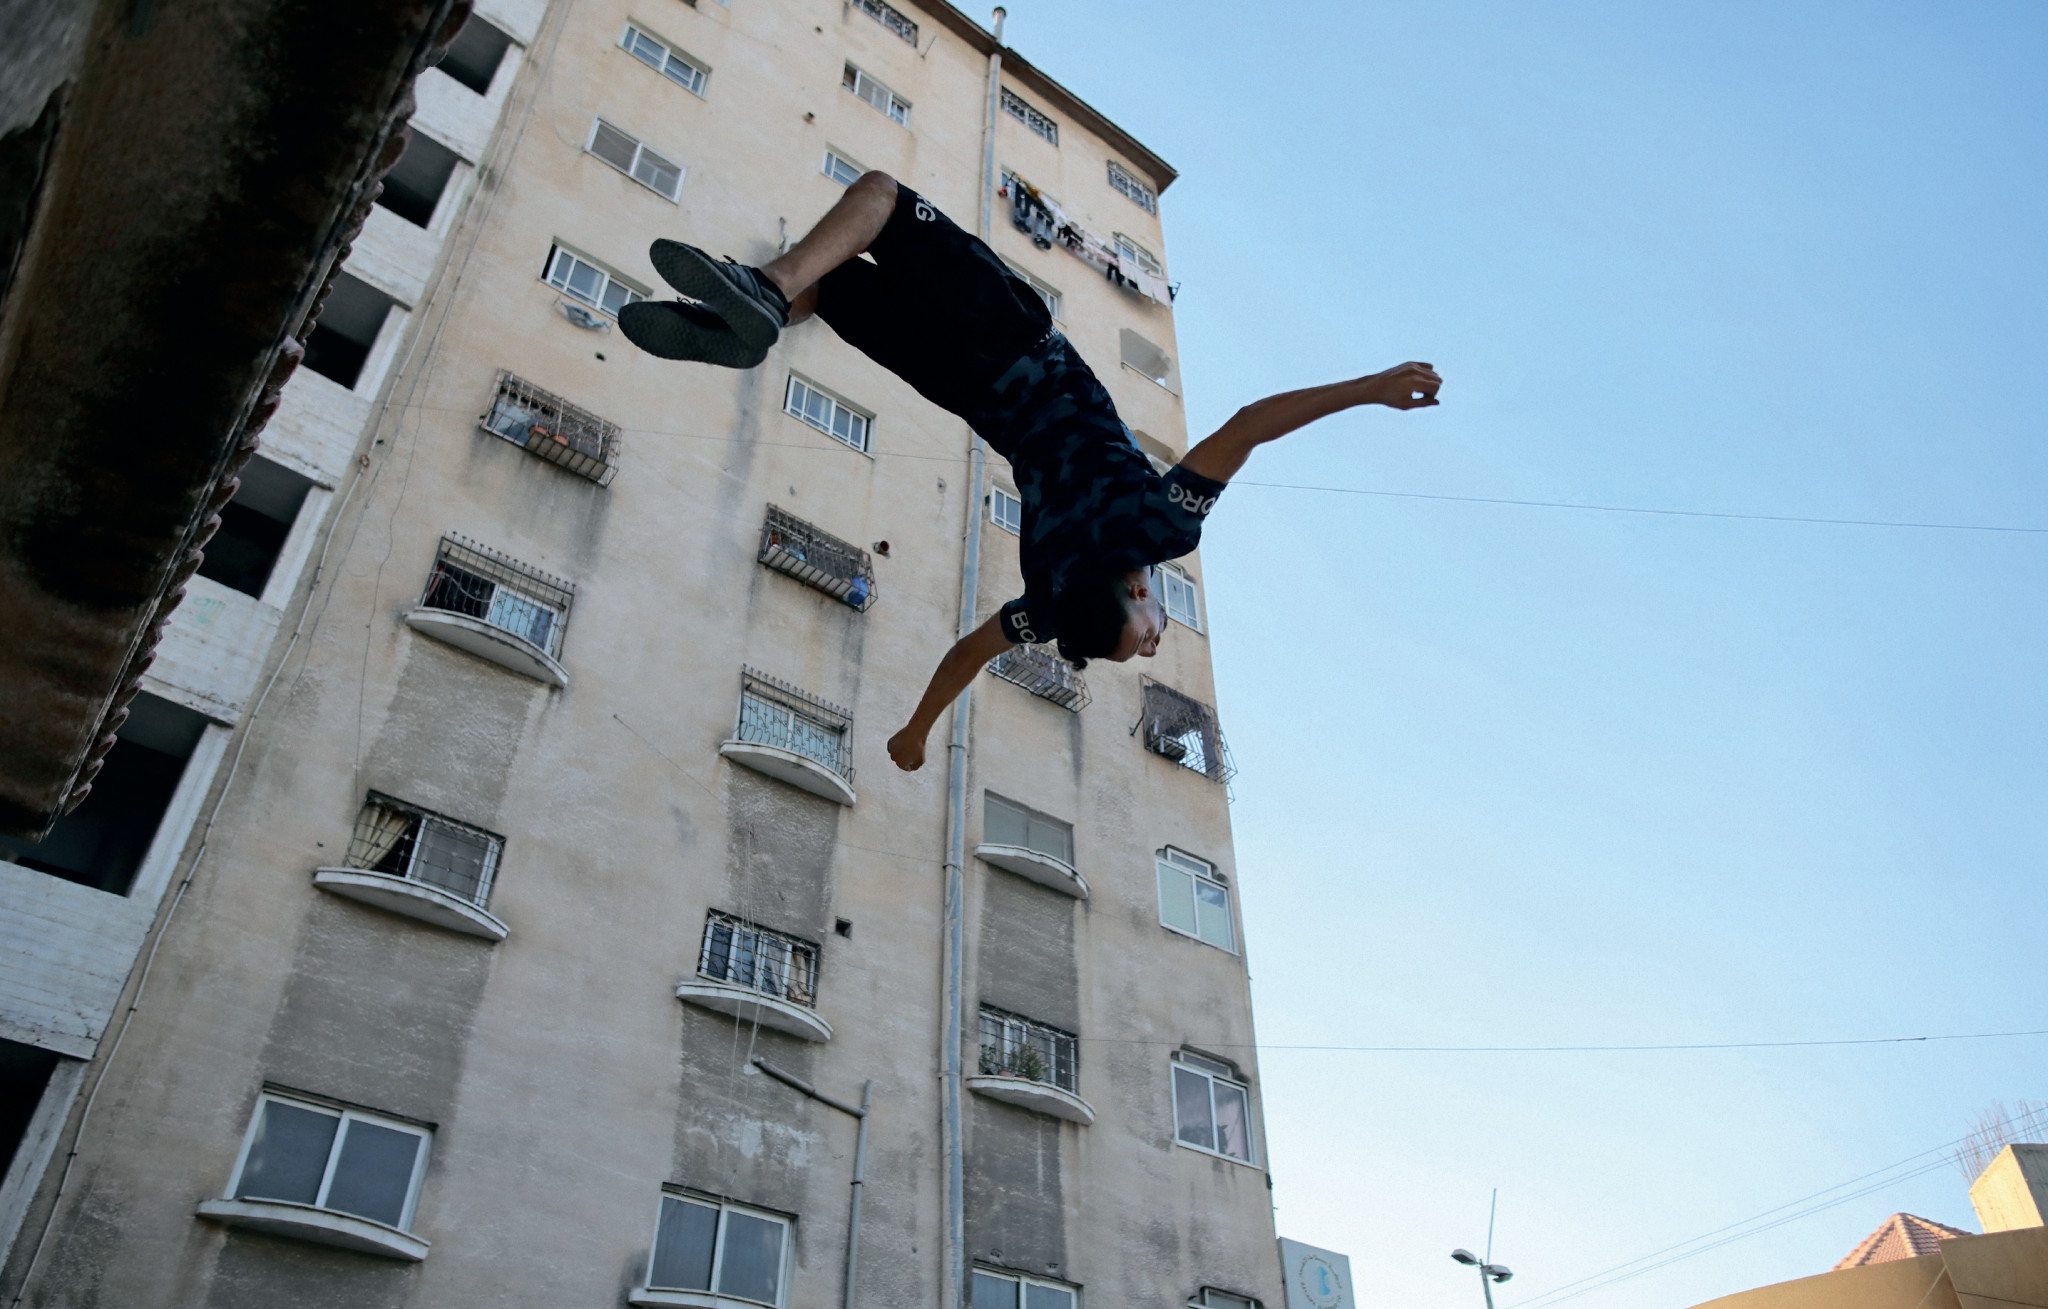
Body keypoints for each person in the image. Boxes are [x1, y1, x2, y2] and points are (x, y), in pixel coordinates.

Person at [617, 171, 1442, 772]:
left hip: (1011, 335)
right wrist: (916, 728)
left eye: (1143, 639)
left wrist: (1369, 388)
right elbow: (966, 655)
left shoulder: (1161, 526)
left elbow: (1249, 425)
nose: (1155, 642)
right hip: (964, 390)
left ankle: (762, 295)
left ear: (1138, 591)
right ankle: (747, 317)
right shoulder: (1048, 596)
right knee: (830, 284)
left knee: (882, 200)